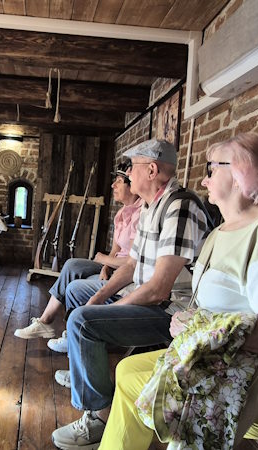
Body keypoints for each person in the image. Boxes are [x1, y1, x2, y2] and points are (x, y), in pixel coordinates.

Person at [99, 132, 258, 449]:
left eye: (212, 168)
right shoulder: (219, 234)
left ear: (241, 173)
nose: (204, 179)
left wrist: (199, 333)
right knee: (128, 369)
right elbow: (207, 308)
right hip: (222, 362)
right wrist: (188, 321)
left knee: (135, 384)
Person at [52, 139, 210, 450]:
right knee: (84, 302)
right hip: (148, 298)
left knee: (84, 322)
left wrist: (106, 309)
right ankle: (88, 376)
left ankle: (98, 419)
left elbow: (159, 288)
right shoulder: (151, 207)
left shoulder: (180, 206)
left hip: (173, 313)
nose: (127, 174)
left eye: (132, 167)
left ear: (151, 170)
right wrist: (99, 299)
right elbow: (131, 266)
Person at [14, 162, 143, 353]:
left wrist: (102, 259)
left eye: (118, 181)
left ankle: (72, 333)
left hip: (127, 272)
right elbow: (116, 250)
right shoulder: (122, 213)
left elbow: (131, 261)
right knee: (72, 265)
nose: (113, 185)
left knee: (74, 284)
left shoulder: (140, 214)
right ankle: (45, 322)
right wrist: (105, 266)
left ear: (131, 185)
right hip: (113, 266)